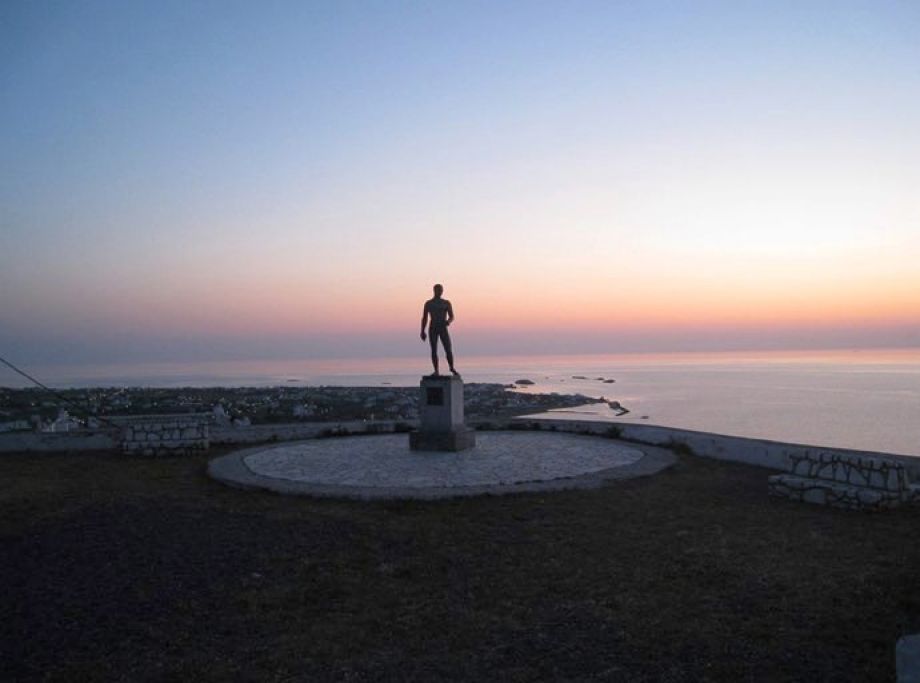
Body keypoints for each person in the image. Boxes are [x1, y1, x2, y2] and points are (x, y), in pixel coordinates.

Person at [420, 283, 459, 376]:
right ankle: (436, 370)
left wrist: (448, 321)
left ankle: (451, 367)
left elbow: (452, 316)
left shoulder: (446, 303)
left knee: (448, 348)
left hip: (443, 327)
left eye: (441, 290)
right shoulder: (429, 303)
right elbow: (424, 318)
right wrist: (422, 331)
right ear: (434, 291)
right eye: (438, 290)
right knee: (434, 349)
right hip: (433, 327)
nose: (440, 292)